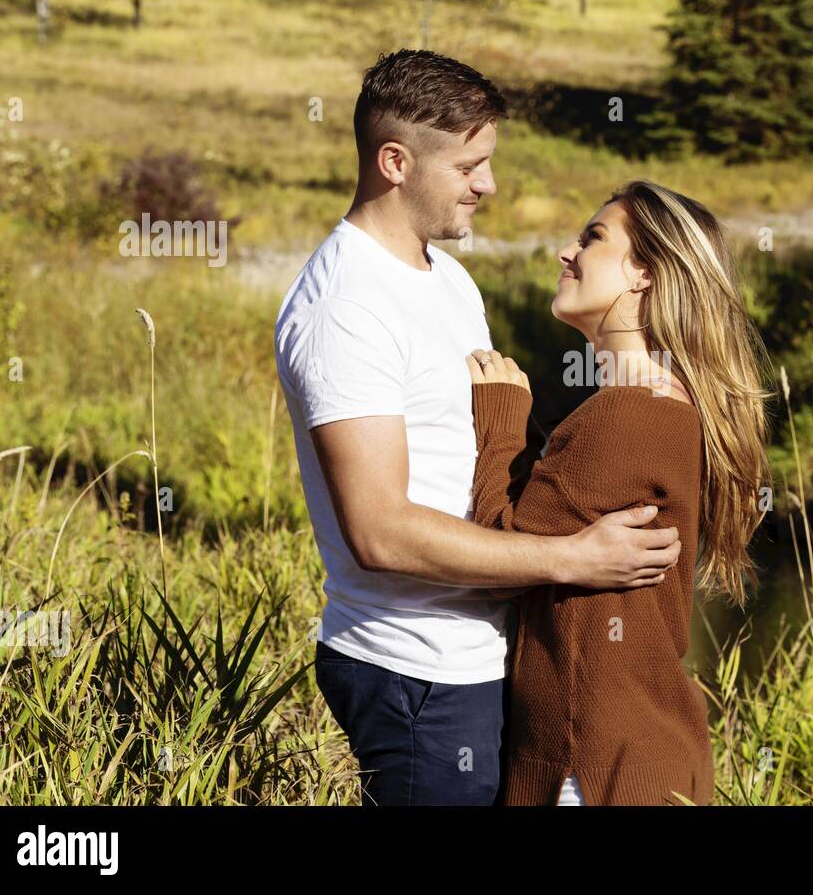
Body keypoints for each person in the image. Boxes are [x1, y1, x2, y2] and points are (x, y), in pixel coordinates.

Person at [274, 50, 682, 806]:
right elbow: (381, 532)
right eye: (470, 166)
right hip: (416, 672)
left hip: (487, 656)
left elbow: (478, 462)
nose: (488, 185)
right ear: (395, 163)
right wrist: (572, 560)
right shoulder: (346, 308)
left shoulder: (449, 279)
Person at [466, 179, 772, 805]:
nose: (566, 251)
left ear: (644, 275)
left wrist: (499, 422)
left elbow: (500, 557)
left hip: (591, 767)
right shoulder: (655, 406)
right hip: (629, 758)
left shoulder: (629, 416)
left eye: (593, 237)